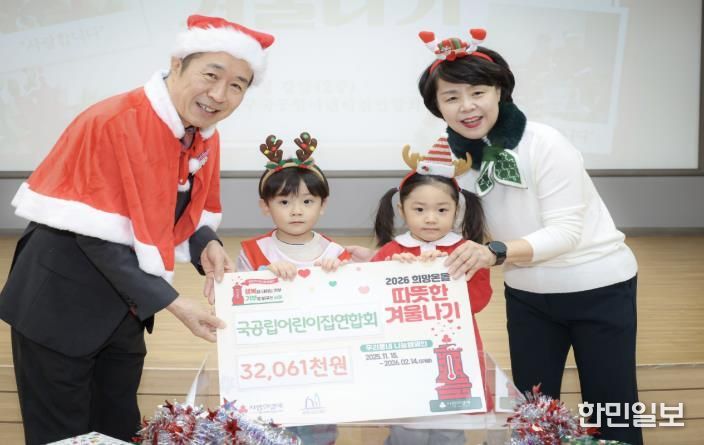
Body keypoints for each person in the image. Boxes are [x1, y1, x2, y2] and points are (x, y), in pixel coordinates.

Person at [0, 15, 274, 444]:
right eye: (211, 75)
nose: (220, 94)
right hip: (59, 307)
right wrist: (174, 304)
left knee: (119, 427)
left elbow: (182, 207)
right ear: (177, 64)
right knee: (62, 435)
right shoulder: (114, 121)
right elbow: (95, 235)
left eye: (237, 85)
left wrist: (206, 242)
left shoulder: (203, 135)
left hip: (123, 313)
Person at [416, 28, 642, 444]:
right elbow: (435, 221)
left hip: (598, 287)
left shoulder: (545, 142)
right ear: (438, 107)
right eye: (451, 97)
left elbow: (566, 233)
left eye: (478, 92)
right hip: (526, 294)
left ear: (500, 91)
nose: (467, 106)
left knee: (611, 409)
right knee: (534, 414)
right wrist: (397, 255)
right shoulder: (447, 158)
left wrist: (495, 252)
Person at [371, 140, 492, 445]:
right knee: (406, 430)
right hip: (405, 356)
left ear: (457, 210)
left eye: (441, 209)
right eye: (419, 209)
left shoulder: (466, 251)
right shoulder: (391, 252)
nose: (430, 218)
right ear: (401, 209)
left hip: (454, 352)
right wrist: (395, 271)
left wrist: (447, 271)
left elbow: (479, 300)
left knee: (449, 429)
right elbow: (371, 300)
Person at [236, 132, 349, 445]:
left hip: (321, 361)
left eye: (307, 202)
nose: (296, 211)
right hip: (270, 361)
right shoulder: (254, 251)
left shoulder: (335, 254)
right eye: (284, 202)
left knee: (318, 426)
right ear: (265, 206)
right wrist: (264, 277)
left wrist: (340, 277)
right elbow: (235, 305)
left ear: (323, 205)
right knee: (269, 426)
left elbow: (353, 308)